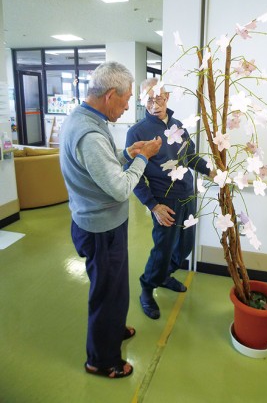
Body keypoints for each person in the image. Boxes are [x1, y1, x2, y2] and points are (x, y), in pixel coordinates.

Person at [59, 62, 162, 379]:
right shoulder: (89, 133)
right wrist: (143, 157)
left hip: (104, 224)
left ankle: (113, 329)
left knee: (116, 288)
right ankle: (101, 360)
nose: (129, 105)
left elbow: (101, 165)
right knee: (106, 293)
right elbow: (119, 189)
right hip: (100, 229)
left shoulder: (87, 118)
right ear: (110, 95)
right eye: (127, 98)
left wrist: (127, 154)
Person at [125, 78, 215, 320]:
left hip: (188, 196)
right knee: (163, 249)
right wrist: (153, 206)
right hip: (164, 202)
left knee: (184, 246)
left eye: (160, 97)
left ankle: (164, 276)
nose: (156, 103)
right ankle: (148, 285)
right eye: (149, 99)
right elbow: (133, 173)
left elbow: (191, 157)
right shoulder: (137, 132)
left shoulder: (179, 126)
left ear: (168, 97)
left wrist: (211, 171)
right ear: (143, 101)